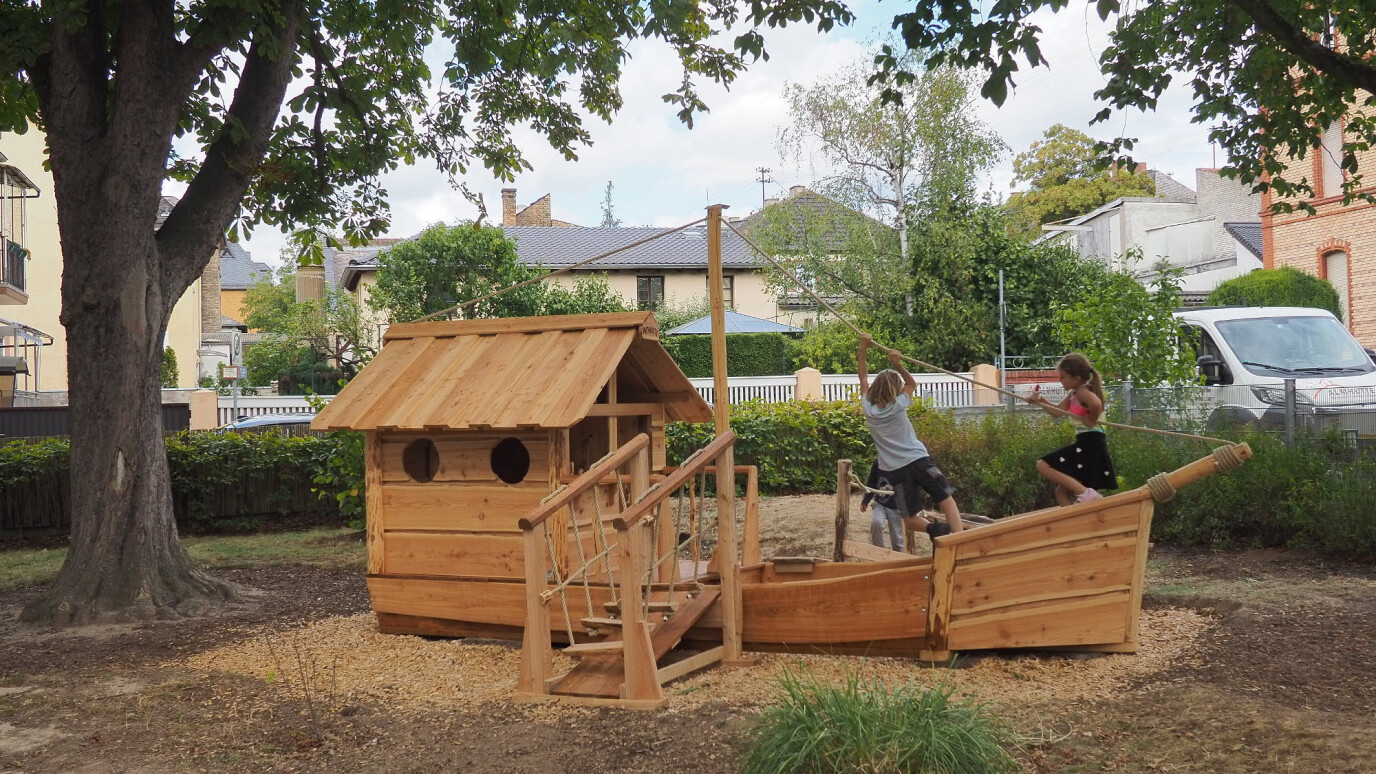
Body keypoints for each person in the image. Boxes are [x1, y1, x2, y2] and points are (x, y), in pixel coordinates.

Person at [857, 334, 964, 539]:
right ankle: (960, 540)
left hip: (896, 471)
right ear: (894, 390)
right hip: (918, 462)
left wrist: (863, 349)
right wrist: (898, 364)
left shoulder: (868, 409)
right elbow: (911, 383)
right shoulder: (899, 404)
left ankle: (934, 529)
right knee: (947, 500)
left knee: (909, 519)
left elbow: (862, 378)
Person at [1026, 352, 1117, 506]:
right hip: (1088, 442)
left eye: (1063, 377)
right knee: (1061, 492)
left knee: (1042, 465)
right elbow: (1057, 412)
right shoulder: (1074, 393)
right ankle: (1078, 521)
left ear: (1076, 378)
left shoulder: (1083, 391)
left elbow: (1096, 404)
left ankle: (1087, 494)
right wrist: (1040, 400)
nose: (1060, 381)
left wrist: (1091, 420)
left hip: (1090, 443)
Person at [859, 467, 904, 551]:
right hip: (880, 503)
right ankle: (879, 552)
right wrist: (865, 501)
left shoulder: (901, 463)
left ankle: (899, 560)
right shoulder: (877, 463)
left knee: (897, 541)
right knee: (876, 523)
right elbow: (872, 483)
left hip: (896, 507)